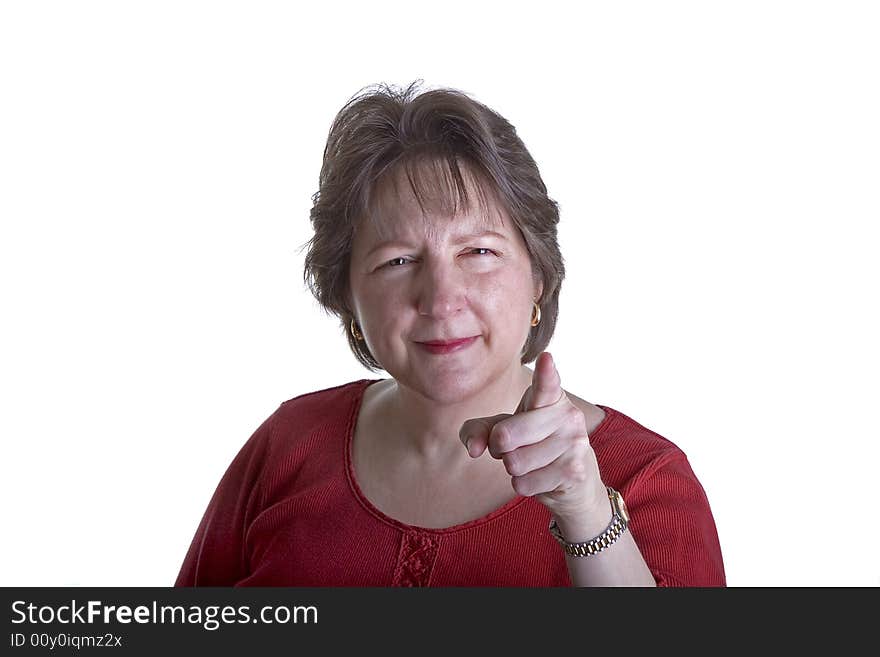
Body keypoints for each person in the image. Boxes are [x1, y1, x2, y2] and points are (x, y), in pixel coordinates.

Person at [174, 81, 726, 587]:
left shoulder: (649, 480)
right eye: (398, 260)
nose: (440, 299)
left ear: (539, 276)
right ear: (346, 294)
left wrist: (587, 516)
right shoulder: (287, 445)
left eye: (479, 252)